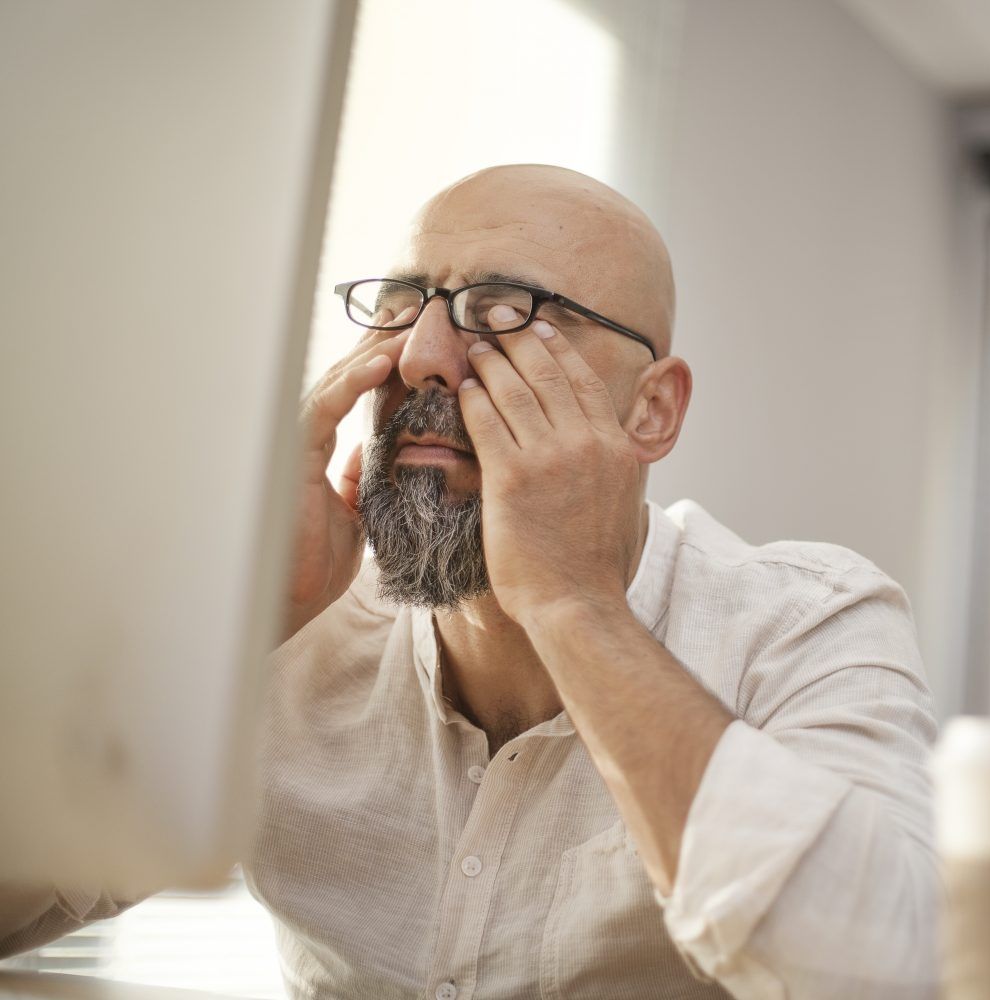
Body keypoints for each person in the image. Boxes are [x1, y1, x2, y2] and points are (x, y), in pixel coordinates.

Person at [0, 165, 939, 998]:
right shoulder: (296, 622)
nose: (419, 358)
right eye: (406, 305)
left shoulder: (807, 622)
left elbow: (885, 974)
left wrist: (574, 606)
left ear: (652, 409)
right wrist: (235, 632)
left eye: (506, 312)